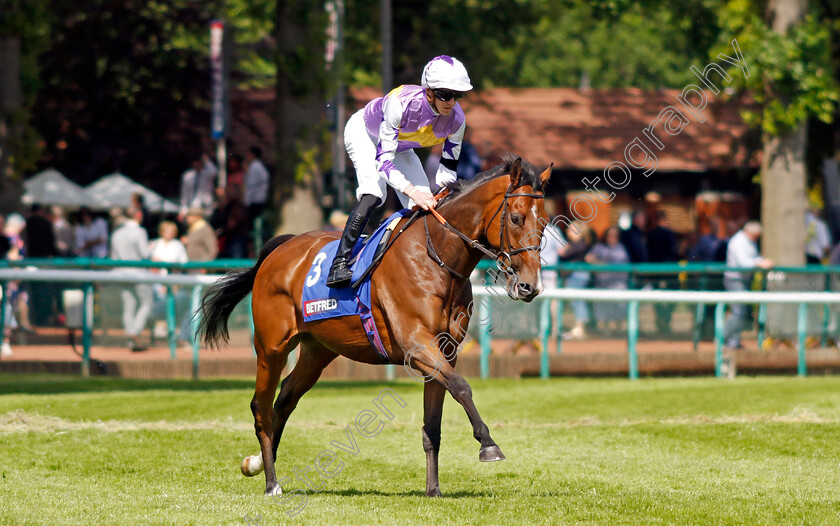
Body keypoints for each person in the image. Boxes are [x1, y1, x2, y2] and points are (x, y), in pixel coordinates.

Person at [327, 55, 473, 287]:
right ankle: (339, 264)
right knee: (374, 193)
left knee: (426, 206)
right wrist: (412, 191)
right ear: (429, 93)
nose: (452, 102)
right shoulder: (400, 103)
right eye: (446, 94)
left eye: (458, 95)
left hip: (401, 147)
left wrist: (443, 198)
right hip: (366, 134)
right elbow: (384, 161)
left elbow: (447, 172)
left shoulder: (457, 120)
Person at [722, 221, 773, 350]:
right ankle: (722, 337)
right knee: (738, 312)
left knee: (742, 312)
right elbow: (743, 263)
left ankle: (733, 342)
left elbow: (753, 258)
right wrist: (759, 263)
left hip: (743, 280)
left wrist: (759, 261)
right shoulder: (738, 241)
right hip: (734, 280)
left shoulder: (749, 242)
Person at [110, 207, 153, 352]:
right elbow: (145, 253)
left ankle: (131, 337)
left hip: (122, 273)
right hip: (138, 273)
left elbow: (114, 258)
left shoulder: (117, 233)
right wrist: (152, 248)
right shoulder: (140, 232)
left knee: (128, 306)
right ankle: (134, 332)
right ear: (138, 215)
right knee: (147, 303)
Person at [178, 208, 219, 344]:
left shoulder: (205, 229)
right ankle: (186, 335)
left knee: (197, 305)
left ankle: (187, 336)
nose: (187, 219)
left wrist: (204, 267)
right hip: (191, 272)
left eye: (189, 216)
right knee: (191, 304)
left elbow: (213, 250)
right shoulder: (194, 229)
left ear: (196, 216)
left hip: (201, 273)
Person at [586, 226, 630, 333]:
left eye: (615, 235)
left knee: (620, 307)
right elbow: (588, 258)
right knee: (604, 309)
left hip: (619, 283)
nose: (613, 237)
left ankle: (619, 332)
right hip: (603, 284)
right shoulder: (599, 247)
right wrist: (604, 265)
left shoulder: (621, 247)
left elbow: (627, 263)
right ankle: (605, 332)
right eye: (610, 235)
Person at [646, 210, 679, 334]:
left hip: (655, 273)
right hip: (669, 273)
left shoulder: (651, 234)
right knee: (670, 299)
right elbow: (674, 252)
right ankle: (666, 322)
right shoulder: (670, 234)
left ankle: (660, 322)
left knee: (658, 300)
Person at [559, 222, 593, 339]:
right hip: (575, 276)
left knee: (578, 301)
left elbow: (564, 254)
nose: (568, 231)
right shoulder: (576, 244)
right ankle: (579, 327)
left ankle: (580, 327)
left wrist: (563, 250)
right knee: (576, 301)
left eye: (572, 229)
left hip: (578, 275)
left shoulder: (580, 244)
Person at [179, 154, 217, 219]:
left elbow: (214, 171)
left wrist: (206, 160)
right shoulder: (188, 176)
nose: (197, 164)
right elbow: (184, 193)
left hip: (206, 206)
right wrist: (183, 208)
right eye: (196, 162)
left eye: (199, 162)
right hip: (193, 206)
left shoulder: (207, 173)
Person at [244, 146, 270, 231]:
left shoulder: (254, 167)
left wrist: (246, 200)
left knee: (253, 225)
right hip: (260, 198)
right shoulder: (260, 166)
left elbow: (251, 185)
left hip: (254, 200)